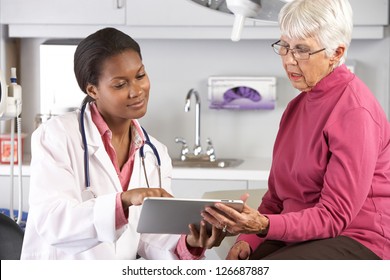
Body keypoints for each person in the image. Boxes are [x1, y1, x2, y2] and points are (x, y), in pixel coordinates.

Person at [202, 0, 390, 260]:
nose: (289, 60)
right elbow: (276, 199)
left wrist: (265, 226)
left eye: (302, 50)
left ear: (336, 52)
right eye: (285, 47)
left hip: (357, 240)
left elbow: (334, 217)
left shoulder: (354, 111)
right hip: (303, 236)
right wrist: (248, 241)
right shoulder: (296, 107)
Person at [21, 27, 225, 259]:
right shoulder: (57, 136)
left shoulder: (155, 153)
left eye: (140, 76)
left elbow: (151, 238)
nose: (137, 91)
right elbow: (53, 223)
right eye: (120, 85)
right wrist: (124, 202)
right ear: (92, 89)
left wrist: (190, 242)